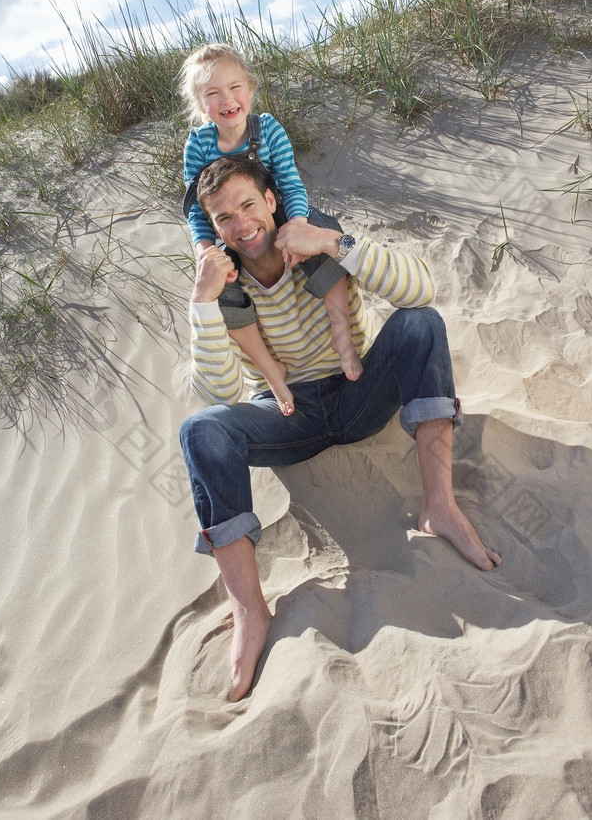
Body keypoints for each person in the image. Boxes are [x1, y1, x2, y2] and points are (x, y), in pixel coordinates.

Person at [180, 155, 502, 702]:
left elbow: (420, 290)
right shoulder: (224, 283)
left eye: (247, 205)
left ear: (271, 201)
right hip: (289, 419)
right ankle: (249, 608)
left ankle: (439, 504)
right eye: (223, 218)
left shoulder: (312, 237)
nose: (240, 224)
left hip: (359, 395)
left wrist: (335, 243)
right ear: (212, 229)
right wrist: (201, 301)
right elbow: (218, 395)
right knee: (201, 431)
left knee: (420, 324)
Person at [179, 42, 362, 417]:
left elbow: (291, 184)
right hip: (234, 231)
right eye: (213, 94)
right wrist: (203, 248)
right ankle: (272, 375)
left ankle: (341, 333)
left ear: (250, 89)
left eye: (235, 88)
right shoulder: (197, 144)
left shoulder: (270, 130)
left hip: (279, 212)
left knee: (324, 228)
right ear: (201, 106)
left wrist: (297, 225)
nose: (227, 100)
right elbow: (197, 209)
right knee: (224, 285)